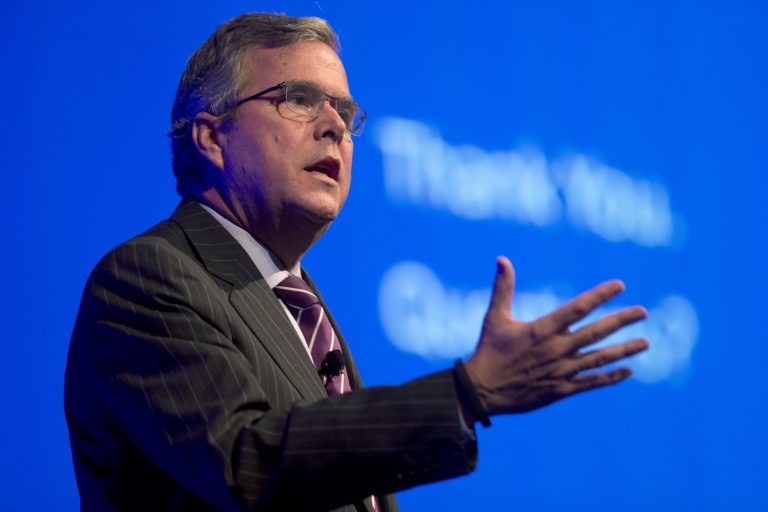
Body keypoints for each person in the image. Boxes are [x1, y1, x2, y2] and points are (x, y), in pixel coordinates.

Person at [64, 12, 649, 512]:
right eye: (298, 99)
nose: (336, 125)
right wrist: (464, 395)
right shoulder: (148, 276)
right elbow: (246, 463)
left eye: (345, 111)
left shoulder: (299, 302)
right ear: (211, 137)